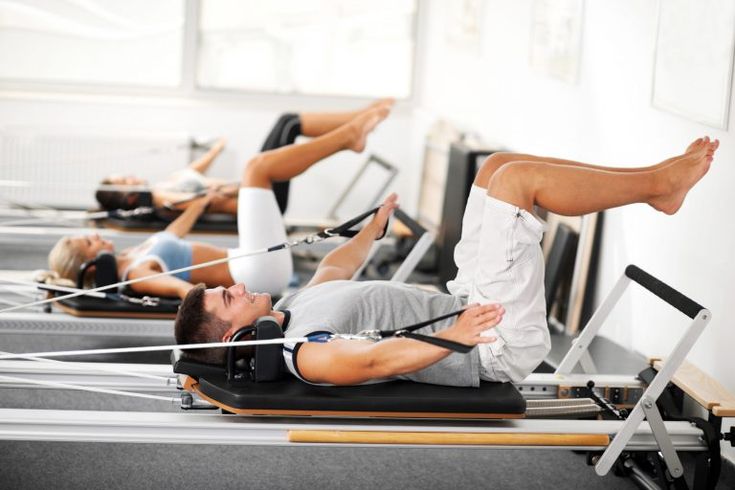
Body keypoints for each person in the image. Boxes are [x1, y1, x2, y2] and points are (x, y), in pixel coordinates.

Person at [174, 136, 719, 386]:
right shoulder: (301, 354)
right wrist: (453, 339)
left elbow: (334, 269)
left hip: (463, 302)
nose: (238, 286)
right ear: (229, 337)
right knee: (518, 184)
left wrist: (371, 230)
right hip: (489, 343)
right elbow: (371, 363)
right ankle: (659, 185)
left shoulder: (292, 309)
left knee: (500, 166)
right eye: (229, 298)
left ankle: (652, 180)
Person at [47, 101, 393, 298]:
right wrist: (206, 300)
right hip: (256, 272)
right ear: (88, 260)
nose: (93, 236)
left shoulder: (133, 254)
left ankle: (350, 134)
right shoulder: (134, 272)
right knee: (257, 168)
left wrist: (197, 204)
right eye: (86, 241)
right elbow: (180, 291)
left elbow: (175, 233)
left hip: (252, 260)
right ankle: (349, 136)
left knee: (258, 167)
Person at [94, 98, 393, 215]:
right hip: (262, 202)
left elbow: (193, 171)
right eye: (125, 181)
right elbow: (202, 199)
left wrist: (215, 148)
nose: (131, 176)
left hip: (253, 187)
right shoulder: (161, 200)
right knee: (287, 125)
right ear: (130, 197)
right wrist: (225, 188)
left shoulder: (162, 186)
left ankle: (356, 121)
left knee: (288, 120)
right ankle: (351, 132)